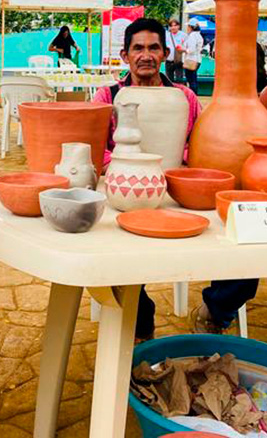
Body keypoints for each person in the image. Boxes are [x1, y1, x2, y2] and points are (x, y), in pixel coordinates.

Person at [92, 18, 205, 340]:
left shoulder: (185, 98)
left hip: (175, 194)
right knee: (118, 251)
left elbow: (199, 146)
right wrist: (135, 169)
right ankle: (141, 322)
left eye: (153, 47)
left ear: (166, 53)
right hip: (124, 193)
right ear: (125, 55)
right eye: (137, 48)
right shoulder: (107, 96)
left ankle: (216, 309)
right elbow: (96, 151)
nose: (146, 55)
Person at [183, 18, 203, 93]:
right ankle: (194, 94)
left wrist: (183, 49)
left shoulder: (192, 36)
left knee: (191, 79)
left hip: (191, 59)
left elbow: (191, 49)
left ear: (191, 27)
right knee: (193, 79)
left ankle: (193, 95)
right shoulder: (198, 35)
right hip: (197, 59)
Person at [164, 19, 185, 83]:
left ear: (178, 26)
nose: (173, 27)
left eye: (175, 25)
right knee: (169, 80)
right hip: (169, 60)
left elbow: (186, 46)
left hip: (178, 61)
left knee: (179, 79)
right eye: (171, 26)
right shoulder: (166, 35)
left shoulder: (183, 35)